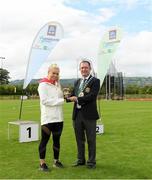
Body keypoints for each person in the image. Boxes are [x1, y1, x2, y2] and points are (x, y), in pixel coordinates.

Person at [66, 60, 100, 169]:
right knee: (79, 139)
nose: (84, 69)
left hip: (89, 115)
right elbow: (72, 95)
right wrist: (66, 97)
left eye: (86, 67)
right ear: (80, 70)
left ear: (90, 69)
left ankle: (91, 162)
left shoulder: (95, 81)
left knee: (91, 139)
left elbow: (92, 96)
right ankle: (81, 160)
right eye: (82, 68)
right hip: (77, 114)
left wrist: (77, 99)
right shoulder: (77, 82)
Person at [38, 64, 64, 171]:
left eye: (57, 73)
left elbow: (61, 97)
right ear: (48, 72)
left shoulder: (58, 85)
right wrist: (62, 101)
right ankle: (42, 163)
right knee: (44, 141)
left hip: (59, 118)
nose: (55, 75)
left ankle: (56, 161)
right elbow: (45, 101)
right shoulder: (43, 85)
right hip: (47, 119)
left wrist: (65, 96)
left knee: (57, 141)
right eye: (53, 73)